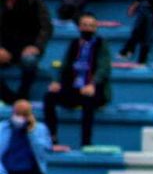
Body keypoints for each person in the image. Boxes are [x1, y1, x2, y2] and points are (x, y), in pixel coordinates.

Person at [43, 13, 111, 150]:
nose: (87, 28)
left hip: (93, 89)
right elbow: (65, 65)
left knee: (89, 101)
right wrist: (57, 82)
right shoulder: (74, 44)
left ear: (96, 28)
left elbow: (104, 68)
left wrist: (92, 84)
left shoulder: (101, 44)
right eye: (84, 25)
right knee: (49, 97)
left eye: (91, 26)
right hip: (74, 88)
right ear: (79, 27)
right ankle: (53, 137)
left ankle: (86, 142)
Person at [0, 0, 50, 103]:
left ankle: (23, 94)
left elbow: (46, 26)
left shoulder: (33, 1)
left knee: (30, 60)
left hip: (27, 46)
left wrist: (36, 46)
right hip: (3, 47)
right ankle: (6, 96)